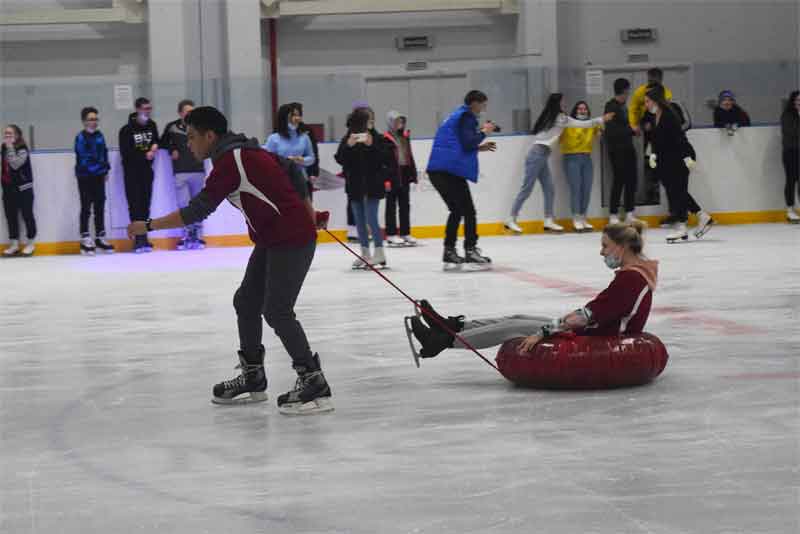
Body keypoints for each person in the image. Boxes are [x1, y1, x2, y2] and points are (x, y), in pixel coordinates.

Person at [126, 106, 333, 415]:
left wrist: (149, 226)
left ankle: (313, 380)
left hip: (291, 239)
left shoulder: (231, 161)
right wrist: (308, 210)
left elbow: (197, 210)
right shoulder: (243, 152)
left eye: (193, 137)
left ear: (211, 136)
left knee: (277, 311)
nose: (189, 145)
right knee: (247, 302)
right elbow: (292, 171)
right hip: (273, 239)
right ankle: (253, 376)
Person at [408, 221, 657, 359]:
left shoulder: (629, 281)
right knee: (518, 318)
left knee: (514, 328)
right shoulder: (635, 275)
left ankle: (441, 342)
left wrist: (543, 333)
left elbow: (586, 316)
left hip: (596, 339)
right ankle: (450, 326)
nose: (602, 252)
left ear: (622, 247)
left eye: (605, 246)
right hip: (593, 330)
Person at [505, 93, 613, 234]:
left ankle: (548, 220)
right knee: (527, 188)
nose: (565, 104)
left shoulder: (552, 117)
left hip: (542, 156)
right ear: (557, 103)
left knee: (549, 188)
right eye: (563, 101)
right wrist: (602, 119)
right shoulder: (560, 118)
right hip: (536, 155)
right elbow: (582, 123)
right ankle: (511, 218)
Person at [427, 90, 497, 269]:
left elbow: (460, 144)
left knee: (457, 210)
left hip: (440, 169)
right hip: (448, 170)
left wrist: (479, 147)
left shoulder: (457, 116)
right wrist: (484, 132)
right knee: (468, 211)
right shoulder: (466, 117)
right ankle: (470, 250)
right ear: (474, 103)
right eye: (483, 104)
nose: (484, 108)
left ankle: (449, 251)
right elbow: (467, 142)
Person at [644, 85, 712, 242]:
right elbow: (656, 138)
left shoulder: (669, 115)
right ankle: (702, 216)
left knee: (677, 191)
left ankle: (681, 227)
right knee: (675, 189)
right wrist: (653, 154)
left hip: (680, 156)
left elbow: (679, 138)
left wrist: (687, 157)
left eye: (647, 101)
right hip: (667, 158)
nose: (645, 104)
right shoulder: (656, 116)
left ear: (656, 101)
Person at [335, 107, 391, 269]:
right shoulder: (349, 137)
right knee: (359, 220)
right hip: (354, 186)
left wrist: (371, 145)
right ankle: (365, 253)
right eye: (369, 119)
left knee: (371, 217)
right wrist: (349, 146)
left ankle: (379, 252)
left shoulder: (377, 137)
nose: (372, 122)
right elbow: (340, 158)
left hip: (373, 185)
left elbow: (385, 158)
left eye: (373, 119)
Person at [161, 99, 208, 250]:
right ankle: (186, 234)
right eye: (188, 111)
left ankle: (198, 234)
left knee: (198, 204)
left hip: (198, 170)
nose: (191, 114)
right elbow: (162, 142)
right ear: (180, 113)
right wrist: (171, 149)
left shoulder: (201, 127)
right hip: (180, 171)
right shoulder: (172, 127)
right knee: (183, 204)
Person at [119, 97, 159, 253]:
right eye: (145, 109)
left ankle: (144, 236)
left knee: (145, 204)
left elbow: (157, 140)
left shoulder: (152, 125)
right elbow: (126, 153)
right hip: (132, 173)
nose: (148, 112)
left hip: (147, 172)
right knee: (135, 205)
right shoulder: (126, 130)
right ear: (137, 109)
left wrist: (154, 146)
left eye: (149, 108)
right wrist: (144, 155)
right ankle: (138, 239)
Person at [74, 107, 113, 255]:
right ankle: (85, 238)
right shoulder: (80, 138)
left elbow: (104, 152)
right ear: (84, 121)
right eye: (91, 119)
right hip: (85, 177)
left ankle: (100, 237)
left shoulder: (100, 135)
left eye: (96, 119)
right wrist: (100, 169)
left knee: (99, 206)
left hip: (99, 177)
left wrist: (106, 169)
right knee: (86, 207)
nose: (94, 122)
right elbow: (84, 159)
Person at [560, 101, 603, 232]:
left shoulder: (591, 125)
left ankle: (583, 217)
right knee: (576, 189)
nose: (582, 111)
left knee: (586, 189)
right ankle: (576, 218)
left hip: (587, 158)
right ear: (575, 110)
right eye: (579, 108)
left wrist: (602, 127)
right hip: (571, 157)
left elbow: (600, 132)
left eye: (584, 109)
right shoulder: (568, 123)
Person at [604, 78, 641, 225]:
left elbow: (624, 128)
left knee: (631, 180)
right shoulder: (611, 106)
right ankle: (613, 213)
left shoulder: (624, 107)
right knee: (619, 180)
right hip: (616, 150)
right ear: (625, 90)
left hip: (628, 148)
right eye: (628, 91)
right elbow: (611, 130)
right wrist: (630, 130)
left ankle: (629, 212)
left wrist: (633, 131)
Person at [383, 110, 418, 247]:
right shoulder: (385, 139)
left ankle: (405, 233)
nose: (400, 124)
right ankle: (391, 234)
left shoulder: (405, 137)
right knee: (391, 205)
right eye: (397, 121)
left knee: (405, 205)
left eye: (401, 121)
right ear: (391, 122)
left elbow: (409, 156)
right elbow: (384, 162)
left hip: (404, 173)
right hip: (392, 175)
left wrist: (413, 174)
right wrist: (386, 179)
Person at [1, 124, 37, 257]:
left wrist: (10, 147)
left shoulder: (22, 148)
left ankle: (31, 243)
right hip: (8, 188)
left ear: (17, 135)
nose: (7, 136)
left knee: (27, 215)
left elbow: (15, 164)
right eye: (5, 134)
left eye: (10, 134)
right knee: (11, 217)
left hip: (24, 188)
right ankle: (14, 244)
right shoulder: (3, 147)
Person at [263, 102, 316, 191]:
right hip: (281, 182)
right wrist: (283, 162)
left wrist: (302, 160)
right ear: (284, 118)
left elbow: (311, 158)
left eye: (298, 115)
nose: (297, 118)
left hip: (301, 181)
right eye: (293, 115)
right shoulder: (273, 139)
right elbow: (267, 161)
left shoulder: (304, 137)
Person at [629, 68, 673, 136]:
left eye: (654, 82)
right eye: (649, 81)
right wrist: (633, 125)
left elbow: (664, 115)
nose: (651, 85)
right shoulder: (639, 92)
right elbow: (632, 110)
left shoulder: (667, 95)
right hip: (640, 128)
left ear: (660, 81)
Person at [781, 90, 800, 223]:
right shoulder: (787, 115)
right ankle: (790, 209)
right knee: (791, 180)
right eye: (798, 100)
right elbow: (792, 132)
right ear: (793, 102)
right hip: (791, 152)